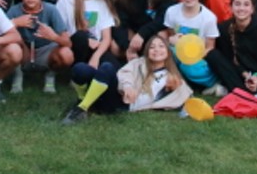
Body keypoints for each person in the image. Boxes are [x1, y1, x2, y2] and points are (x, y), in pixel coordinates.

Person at [60, 32, 191, 124]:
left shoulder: (173, 77)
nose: (156, 50)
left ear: (168, 52)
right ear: (147, 51)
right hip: (115, 93)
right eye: (152, 47)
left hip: (121, 104)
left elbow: (188, 97)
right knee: (80, 68)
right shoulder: (140, 62)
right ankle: (82, 102)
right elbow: (123, 73)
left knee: (106, 67)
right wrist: (128, 86)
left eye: (161, 47)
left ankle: (80, 109)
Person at [6, 0, 73, 95]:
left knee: (66, 54)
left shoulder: (51, 10)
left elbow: (67, 42)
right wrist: (15, 23)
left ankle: (50, 74)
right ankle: (17, 74)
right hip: (23, 51)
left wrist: (53, 37)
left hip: (45, 51)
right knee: (10, 47)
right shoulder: (14, 10)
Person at [162, 0, 222, 94]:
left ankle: (212, 83)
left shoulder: (208, 18)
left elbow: (210, 47)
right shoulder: (171, 12)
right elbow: (170, 33)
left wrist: (192, 56)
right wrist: (171, 40)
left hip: (197, 58)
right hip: (177, 51)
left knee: (188, 67)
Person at [57, 0, 119, 66]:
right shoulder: (67, 0)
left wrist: (96, 56)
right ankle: (77, 74)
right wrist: (87, 40)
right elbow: (59, 30)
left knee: (113, 67)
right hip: (75, 46)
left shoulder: (102, 3)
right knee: (81, 37)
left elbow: (106, 38)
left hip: (95, 48)